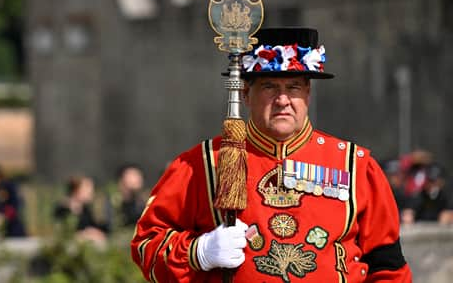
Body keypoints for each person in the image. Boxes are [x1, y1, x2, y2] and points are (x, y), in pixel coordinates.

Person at [131, 28, 412, 282]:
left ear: (308, 94)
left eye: (293, 87)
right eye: (269, 87)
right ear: (245, 94)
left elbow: (388, 268)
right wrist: (199, 252)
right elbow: (146, 245)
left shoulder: (355, 166)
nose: (282, 100)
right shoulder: (202, 164)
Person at [54, 175, 107, 244]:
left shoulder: (86, 209)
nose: (91, 192)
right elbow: (63, 233)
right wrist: (84, 235)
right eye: (87, 188)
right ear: (76, 190)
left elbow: (96, 227)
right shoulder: (62, 209)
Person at [105, 164, 147, 231]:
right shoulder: (113, 202)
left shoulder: (142, 202)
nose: (138, 178)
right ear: (121, 180)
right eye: (133, 175)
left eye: (139, 175)